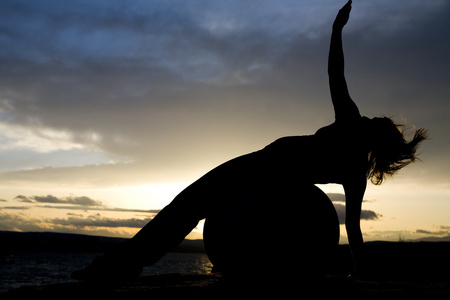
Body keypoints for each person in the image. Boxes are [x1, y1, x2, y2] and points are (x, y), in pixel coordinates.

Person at [71, 0, 426, 280]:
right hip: (264, 174)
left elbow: (335, 71)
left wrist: (337, 29)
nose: (372, 115)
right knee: (189, 208)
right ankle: (123, 264)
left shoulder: (350, 124)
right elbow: (353, 231)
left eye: (377, 120)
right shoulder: (355, 171)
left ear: (373, 135)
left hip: (259, 170)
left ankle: (117, 265)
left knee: (186, 205)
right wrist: (360, 270)